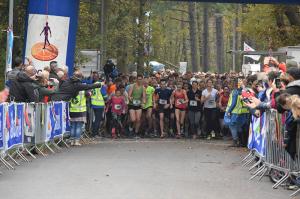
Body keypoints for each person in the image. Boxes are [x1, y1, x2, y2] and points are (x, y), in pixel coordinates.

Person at [225, 79, 249, 147]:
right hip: (244, 111)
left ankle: (236, 141)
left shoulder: (235, 92)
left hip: (235, 112)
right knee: (241, 127)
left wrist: (229, 111)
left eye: (231, 84)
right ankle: (242, 143)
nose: (229, 85)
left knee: (232, 126)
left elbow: (233, 103)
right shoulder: (244, 91)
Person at [90, 73, 108, 138]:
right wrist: (106, 99)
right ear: (98, 78)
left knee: (94, 120)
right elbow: (104, 95)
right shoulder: (100, 85)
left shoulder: (91, 85)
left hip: (93, 104)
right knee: (98, 120)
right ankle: (95, 134)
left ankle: (93, 132)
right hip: (99, 105)